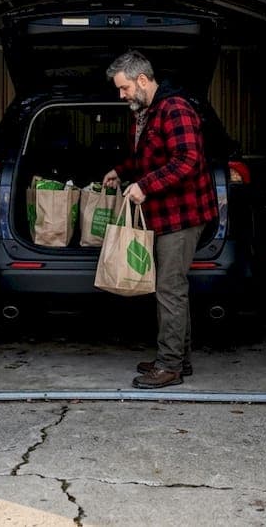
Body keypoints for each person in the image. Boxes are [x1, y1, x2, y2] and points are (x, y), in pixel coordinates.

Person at [103, 51, 217, 389]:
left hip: (182, 215)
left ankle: (169, 366)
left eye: (124, 88)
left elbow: (187, 160)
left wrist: (145, 186)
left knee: (169, 289)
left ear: (142, 80)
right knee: (172, 289)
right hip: (165, 214)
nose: (121, 95)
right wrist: (121, 171)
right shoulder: (147, 112)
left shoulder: (175, 108)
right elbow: (147, 159)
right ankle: (179, 359)